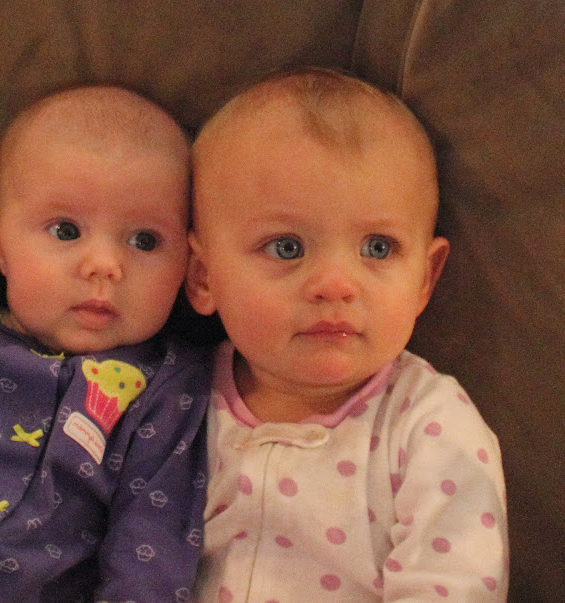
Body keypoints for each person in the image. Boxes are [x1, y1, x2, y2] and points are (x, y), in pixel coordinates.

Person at [185, 69, 508, 601]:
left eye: (378, 248)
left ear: (424, 280)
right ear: (203, 276)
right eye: (287, 247)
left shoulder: (429, 424)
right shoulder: (173, 404)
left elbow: (455, 584)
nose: (336, 285)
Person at [0, 86, 210, 602]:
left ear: (191, 265)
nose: (104, 265)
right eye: (65, 231)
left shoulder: (170, 390)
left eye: (145, 240)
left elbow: (152, 546)